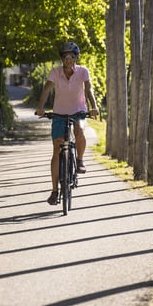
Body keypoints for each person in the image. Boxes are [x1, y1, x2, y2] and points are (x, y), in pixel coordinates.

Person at [35, 42, 99, 205]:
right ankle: (55, 191)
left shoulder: (83, 71)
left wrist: (94, 107)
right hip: (59, 113)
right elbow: (47, 89)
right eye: (65, 57)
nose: (68, 60)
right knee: (57, 149)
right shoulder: (55, 72)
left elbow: (88, 89)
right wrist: (41, 108)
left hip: (78, 110)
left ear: (76, 58)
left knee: (79, 131)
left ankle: (79, 160)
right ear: (62, 58)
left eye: (71, 56)